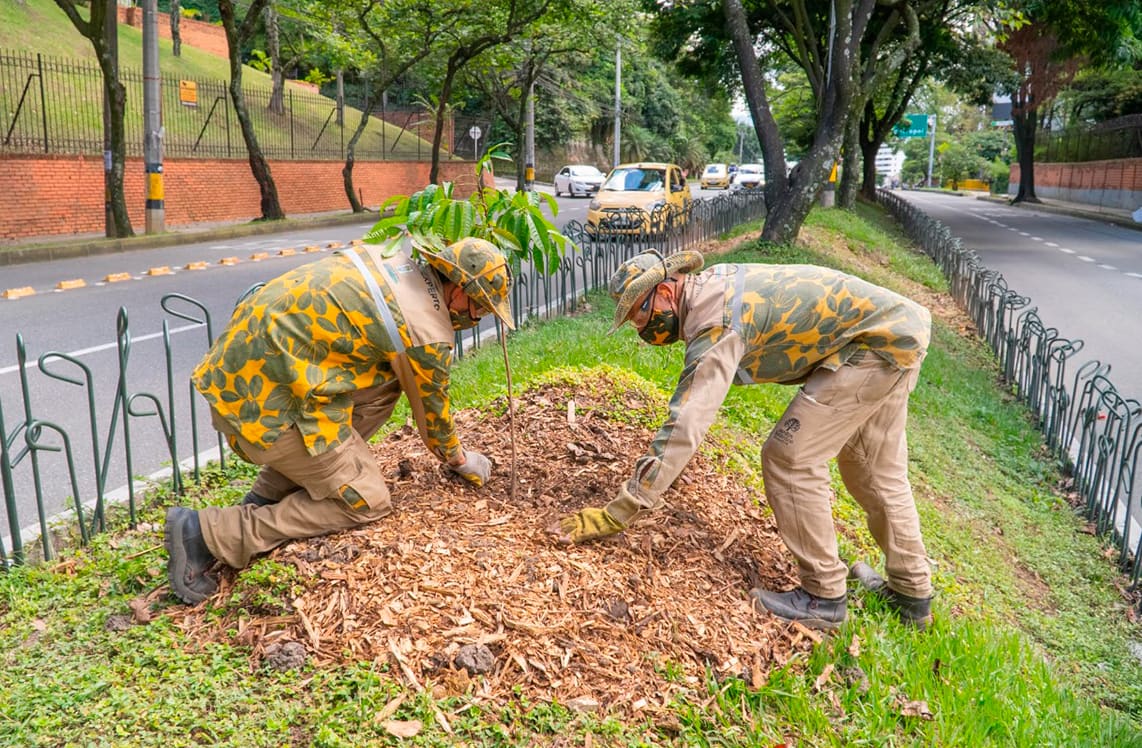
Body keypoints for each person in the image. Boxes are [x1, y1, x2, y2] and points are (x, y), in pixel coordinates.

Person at [551, 249, 934, 631]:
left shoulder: (715, 322)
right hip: (895, 331)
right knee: (870, 466)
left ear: (665, 293)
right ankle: (911, 595)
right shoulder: (710, 288)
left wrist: (622, 508)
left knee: (790, 457)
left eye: (639, 315)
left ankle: (823, 597)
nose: (641, 330)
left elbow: (686, 423)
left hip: (875, 343)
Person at [165, 236, 514, 605]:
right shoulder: (424, 329)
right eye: (481, 307)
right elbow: (433, 415)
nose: (477, 317)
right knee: (368, 499)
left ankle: (270, 494)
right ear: (458, 291)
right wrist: (460, 460)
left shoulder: (393, 259)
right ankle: (207, 533)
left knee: (385, 385)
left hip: (241, 370)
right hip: (260, 406)